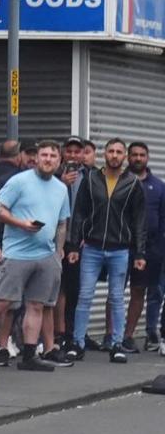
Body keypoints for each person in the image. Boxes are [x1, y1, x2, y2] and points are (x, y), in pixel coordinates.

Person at [0, 142, 73, 371]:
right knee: (2, 304)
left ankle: (29, 355)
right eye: (43, 155)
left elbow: (62, 223)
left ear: (59, 161)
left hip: (46, 256)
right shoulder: (19, 181)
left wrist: (58, 253)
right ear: (36, 158)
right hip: (16, 253)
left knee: (36, 305)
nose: (47, 159)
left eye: (52, 156)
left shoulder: (61, 188)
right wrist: (21, 224)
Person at [68, 138, 145, 361]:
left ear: (124, 157)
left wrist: (139, 253)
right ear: (105, 154)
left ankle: (117, 344)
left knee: (117, 298)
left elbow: (139, 221)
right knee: (84, 296)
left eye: (119, 152)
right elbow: (79, 213)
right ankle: (78, 342)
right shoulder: (91, 178)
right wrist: (74, 244)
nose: (114, 155)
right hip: (91, 246)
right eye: (110, 151)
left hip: (120, 249)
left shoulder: (132, 183)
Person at [56, 138, 93, 355]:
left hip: (78, 241)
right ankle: (58, 334)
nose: (72, 155)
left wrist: (86, 236)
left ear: (82, 154)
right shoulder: (53, 175)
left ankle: (71, 335)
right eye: (68, 151)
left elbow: (94, 209)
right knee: (56, 290)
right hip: (55, 240)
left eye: (76, 151)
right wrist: (62, 183)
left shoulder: (91, 176)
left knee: (74, 290)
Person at [137, 142, 165, 351]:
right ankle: (148, 333)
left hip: (155, 247)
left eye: (142, 155)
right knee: (120, 293)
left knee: (156, 290)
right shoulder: (123, 182)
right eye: (134, 154)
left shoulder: (159, 186)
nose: (138, 158)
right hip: (124, 245)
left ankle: (155, 333)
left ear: (147, 158)